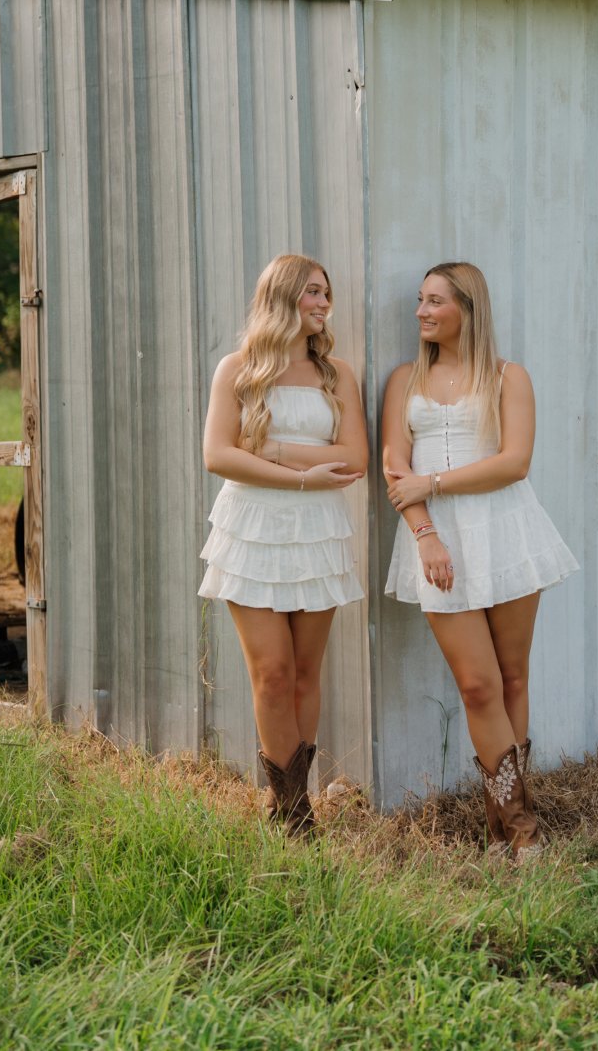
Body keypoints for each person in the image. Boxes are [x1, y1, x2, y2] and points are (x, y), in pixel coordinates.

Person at [382, 261, 578, 860]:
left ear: (468, 309)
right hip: (439, 541)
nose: (421, 311)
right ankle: (523, 831)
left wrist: (433, 483)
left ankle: (504, 833)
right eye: (420, 300)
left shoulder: (507, 377)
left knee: (512, 677)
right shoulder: (405, 380)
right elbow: (395, 468)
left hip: (507, 532)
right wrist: (425, 534)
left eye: (434, 301)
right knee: (477, 684)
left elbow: (515, 462)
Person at [201, 254, 367, 835]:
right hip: (252, 528)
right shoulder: (238, 369)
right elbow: (219, 455)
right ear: (283, 297)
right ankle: (295, 815)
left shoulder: (336, 375)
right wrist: (300, 474)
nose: (324, 303)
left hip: (317, 530)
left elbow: (355, 458)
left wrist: (270, 450)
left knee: (303, 674)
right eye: (313, 292)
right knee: (271, 672)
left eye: (327, 293)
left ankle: (287, 807)